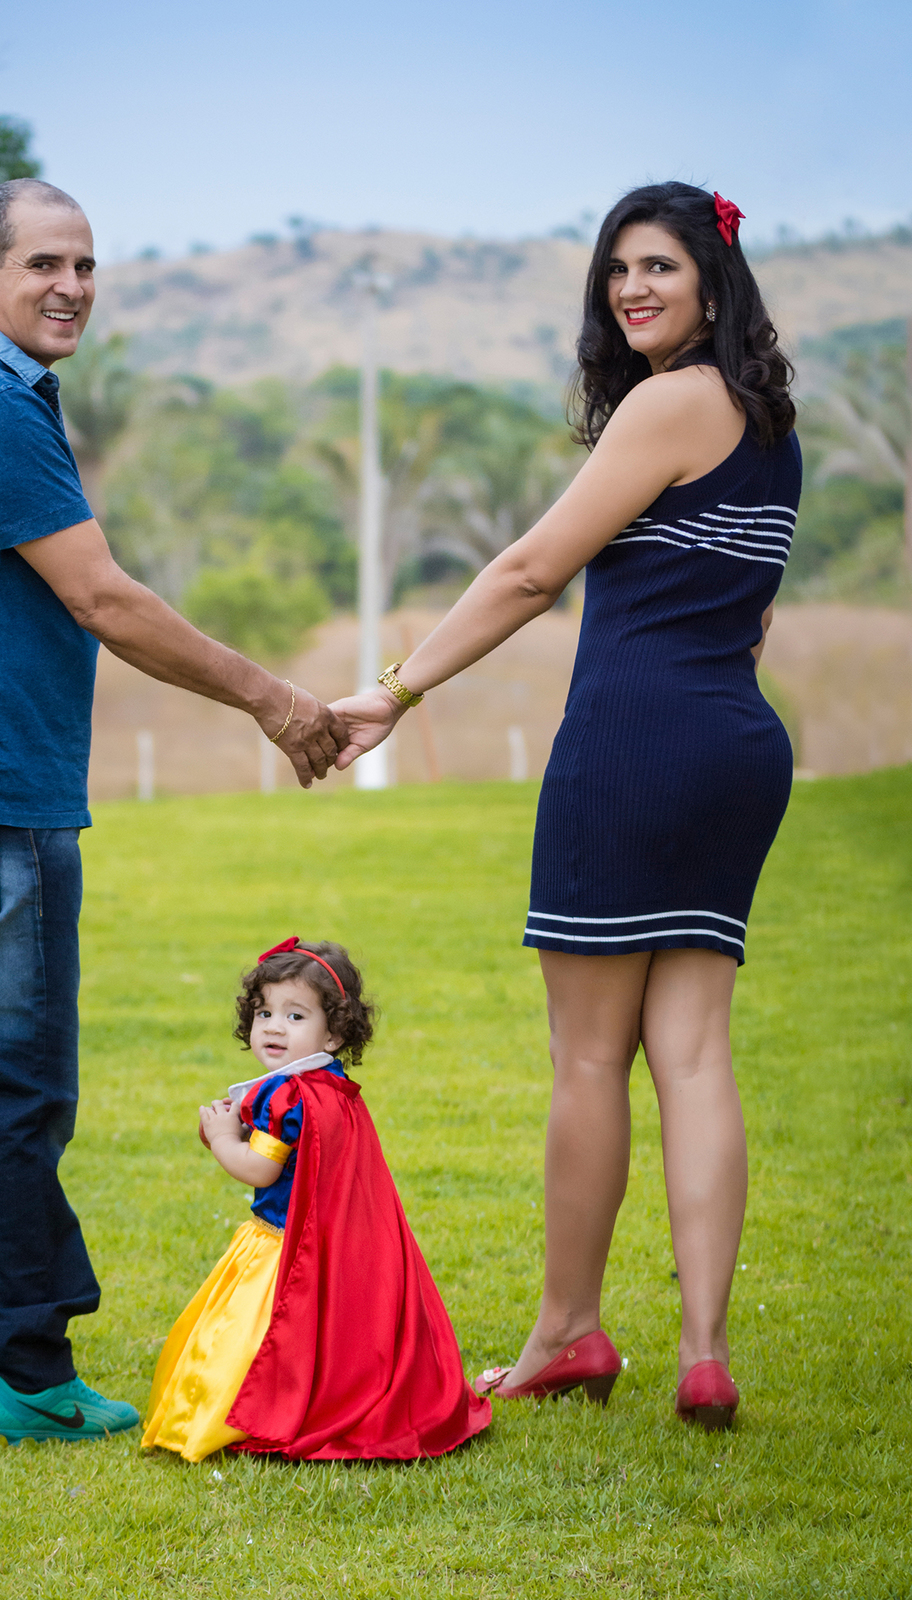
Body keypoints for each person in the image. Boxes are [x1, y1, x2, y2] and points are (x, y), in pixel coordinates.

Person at [0, 178, 347, 1447]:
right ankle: (30, 1370)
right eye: (44, 263)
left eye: (87, 265)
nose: (70, 287)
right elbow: (103, 598)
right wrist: (276, 699)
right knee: (16, 1088)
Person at [329, 183, 800, 1433]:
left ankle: (568, 1331)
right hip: (738, 745)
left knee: (591, 1055)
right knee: (694, 1050)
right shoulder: (769, 424)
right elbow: (752, 614)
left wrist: (396, 690)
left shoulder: (668, 402)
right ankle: (704, 1353)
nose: (633, 288)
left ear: (714, 284)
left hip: (633, 746)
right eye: (617, 270)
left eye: (660, 267)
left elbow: (534, 568)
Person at [141, 938, 491, 1461]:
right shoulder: (330, 1084)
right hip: (331, 1245)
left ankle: (246, 1415)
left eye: (295, 1015)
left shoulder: (284, 1096)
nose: (274, 1027)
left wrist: (222, 1137)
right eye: (264, 1013)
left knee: (251, 1339)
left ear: (334, 1031)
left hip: (282, 1248)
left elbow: (259, 1168)